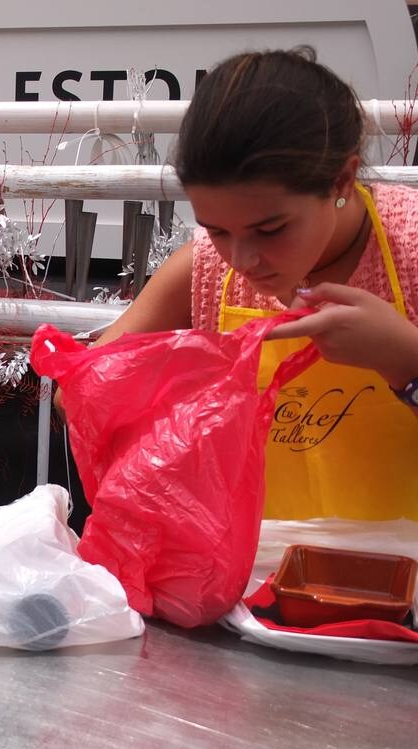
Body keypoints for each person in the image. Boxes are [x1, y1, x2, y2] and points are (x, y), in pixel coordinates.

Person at [89, 47, 418, 521]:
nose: (242, 261)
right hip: (248, 577)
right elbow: (82, 395)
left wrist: (405, 360)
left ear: (342, 181)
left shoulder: (407, 249)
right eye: (217, 229)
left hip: (395, 583)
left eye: (270, 230)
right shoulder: (203, 270)